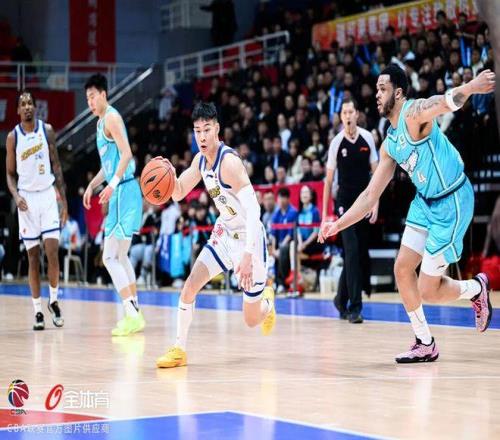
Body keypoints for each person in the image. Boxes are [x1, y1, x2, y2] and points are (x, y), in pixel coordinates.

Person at [319, 64, 495, 363]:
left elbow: (442, 103)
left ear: (398, 93)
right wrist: (337, 225)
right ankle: (424, 342)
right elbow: (369, 196)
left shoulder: (413, 113)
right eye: (376, 89)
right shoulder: (390, 144)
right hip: (425, 202)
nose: (377, 95)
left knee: (429, 290)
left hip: (452, 200)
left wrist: (471, 87)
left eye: (382, 89)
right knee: (402, 269)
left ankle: (476, 288)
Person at [156, 102, 276, 368]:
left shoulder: (229, 163)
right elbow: (178, 192)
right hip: (224, 232)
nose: (202, 136)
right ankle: (179, 349)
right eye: (197, 131)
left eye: (206, 130)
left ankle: (267, 302)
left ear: (217, 129)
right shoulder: (199, 161)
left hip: (249, 238)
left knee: (251, 319)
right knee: (190, 285)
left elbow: (254, 211)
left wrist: (247, 255)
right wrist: (169, 177)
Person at [82, 73, 145, 336]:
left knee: (109, 257)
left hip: (124, 190)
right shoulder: (100, 123)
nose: (90, 102)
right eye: (87, 98)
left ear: (104, 94)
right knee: (120, 256)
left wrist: (112, 185)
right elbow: (108, 166)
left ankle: (131, 313)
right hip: (123, 189)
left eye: (93, 96)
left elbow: (127, 153)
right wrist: (93, 185)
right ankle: (135, 312)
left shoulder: (111, 117)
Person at [5, 91, 68, 330]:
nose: (28, 107)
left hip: (48, 196)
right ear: (18, 110)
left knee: (52, 252)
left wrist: (64, 203)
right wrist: (16, 195)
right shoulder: (13, 137)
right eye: (23, 104)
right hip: (27, 201)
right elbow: (9, 174)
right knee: (32, 257)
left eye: (30, 103)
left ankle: (54, 301)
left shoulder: (47, 130)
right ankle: (38, 311)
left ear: (35, 107)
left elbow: (57, 166)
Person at [322, 98, 379, 323]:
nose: (347, 116)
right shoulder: (336, 142)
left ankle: (340, 298)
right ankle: (355, 308)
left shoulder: (367, 138)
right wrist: (326, 215)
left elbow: (377, 173)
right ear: (341, 117)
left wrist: (375, 203)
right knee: (352, 251)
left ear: (357, 114)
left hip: (363, 203)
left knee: (357, 254)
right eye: (344, 112)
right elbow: (328, 181)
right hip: (344, 205)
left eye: (350, 112)